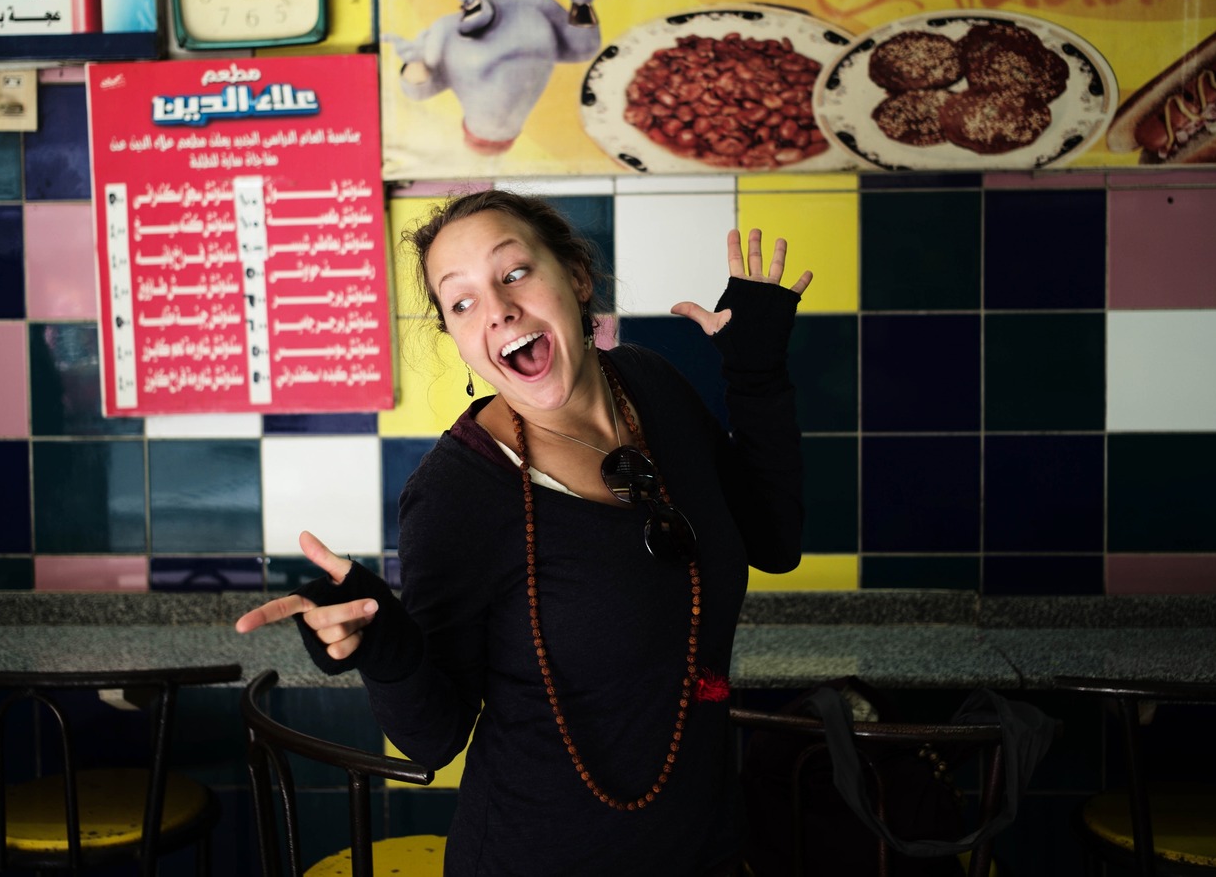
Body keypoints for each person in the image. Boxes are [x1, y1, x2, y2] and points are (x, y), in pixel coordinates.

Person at [237, 189, 811, 876]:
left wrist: (757, 375)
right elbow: (433, 738)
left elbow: (773, 542)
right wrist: (385, 646)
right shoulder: (457, 492)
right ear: (455, 337)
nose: (499, 309)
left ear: (576, 275)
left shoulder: (652, 387)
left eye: (513, 273)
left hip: (705, 846)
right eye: (463, 301)